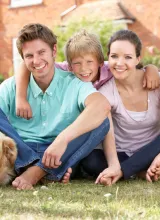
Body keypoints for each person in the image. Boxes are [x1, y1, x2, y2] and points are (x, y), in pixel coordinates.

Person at [14, 30, 160, 182]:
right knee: (89, 160)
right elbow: (27, 65)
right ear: (70, 66)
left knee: (100, 121)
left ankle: (125, 169)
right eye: (77, 64)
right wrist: (20, 98)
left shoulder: (110, 69)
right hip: (81, 132)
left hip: (101, 129)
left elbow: (134, 66)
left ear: (99, 61)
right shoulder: (66, 69)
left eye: (89, 62)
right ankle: (64, 169)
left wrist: (151, 69)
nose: (84, 69)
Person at [0, 23, 111, 190]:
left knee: (102, 122)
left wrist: (62, 139)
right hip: (21, 150)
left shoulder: (73, 83)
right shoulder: (13, 87)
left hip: (57, 152)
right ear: (23, 59)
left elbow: (101, 106)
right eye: (29, 56)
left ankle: (38, 171)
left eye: (41, 52)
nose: (36, 61)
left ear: (53, 51)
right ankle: (37, 168)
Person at [81, 30, 160, 186]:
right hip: (123, 154)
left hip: (153, 150)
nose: (120, 63)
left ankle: (126, 172)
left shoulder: (158, 82)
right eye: (114, 56)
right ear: (108, 58)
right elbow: (108, 133)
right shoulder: (105, 93)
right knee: (90, 161)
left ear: (138, 59)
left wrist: (152, 68)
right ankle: (139, 170)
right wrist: (114, 164)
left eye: (128, 57)